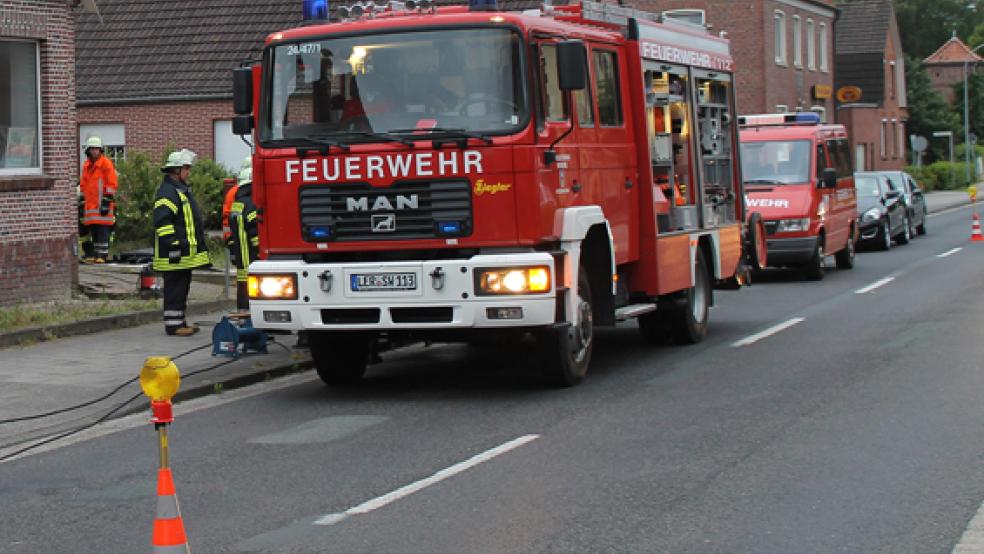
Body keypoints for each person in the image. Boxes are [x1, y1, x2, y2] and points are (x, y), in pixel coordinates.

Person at [153, 150, 210, 336]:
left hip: (182, 253)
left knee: (182, 287)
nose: (189, 172)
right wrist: (174, 245)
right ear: (176, 170)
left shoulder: (179, 190)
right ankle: (174, 325)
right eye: (186, 168)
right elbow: (163, 222)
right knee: (175, 288)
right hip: (173, 253)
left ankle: (180, 321)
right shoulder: (167, 193)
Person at [79, 136, 118, 263]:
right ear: (88, 151)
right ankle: (92, 254)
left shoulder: (106, 164)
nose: (95, 151)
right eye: (92, 149)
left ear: (101, 150)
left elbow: (112, 183)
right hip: (90, 205)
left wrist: (107, 200)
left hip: (102, 204)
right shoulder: (86, 166)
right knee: (92, 230)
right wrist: (82, 199)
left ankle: (102, 255)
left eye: (97, 149)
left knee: (103, 230)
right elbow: (84, 184)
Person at [226, 165, 259, 310]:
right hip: (252, 255)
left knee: (242, 285)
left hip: (241, 256)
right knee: (255, 286)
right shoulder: (251, 204)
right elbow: (254, 230)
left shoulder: (237, 204)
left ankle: (243, 313)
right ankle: (251, 316)